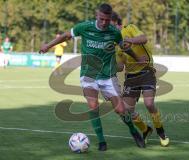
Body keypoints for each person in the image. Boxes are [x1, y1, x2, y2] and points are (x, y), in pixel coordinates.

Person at [39, 3, 145, 151]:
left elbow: (123, 47)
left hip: (108, 76)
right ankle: (102, 141)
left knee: (120, 110)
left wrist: (137, 57)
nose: (104, 23)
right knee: (93, 105)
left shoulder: (114, 32)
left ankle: (133, 131)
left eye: (107, 20)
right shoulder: (84, 27)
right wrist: (48, 46)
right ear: (97, 16)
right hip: (89, 75)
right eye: (101, 19)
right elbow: (65, 36)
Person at [111, 12, 169, 146]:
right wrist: (109, 65)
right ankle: (145, 129)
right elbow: (120, 67)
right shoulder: (115, 43)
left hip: (146, 72)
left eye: (111, 25)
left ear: (117, 23)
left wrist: (128, 41)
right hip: (131, 77)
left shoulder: (129, 28)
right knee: (126, 110)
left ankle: (160, 131)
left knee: (149, 104)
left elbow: (143, 38)